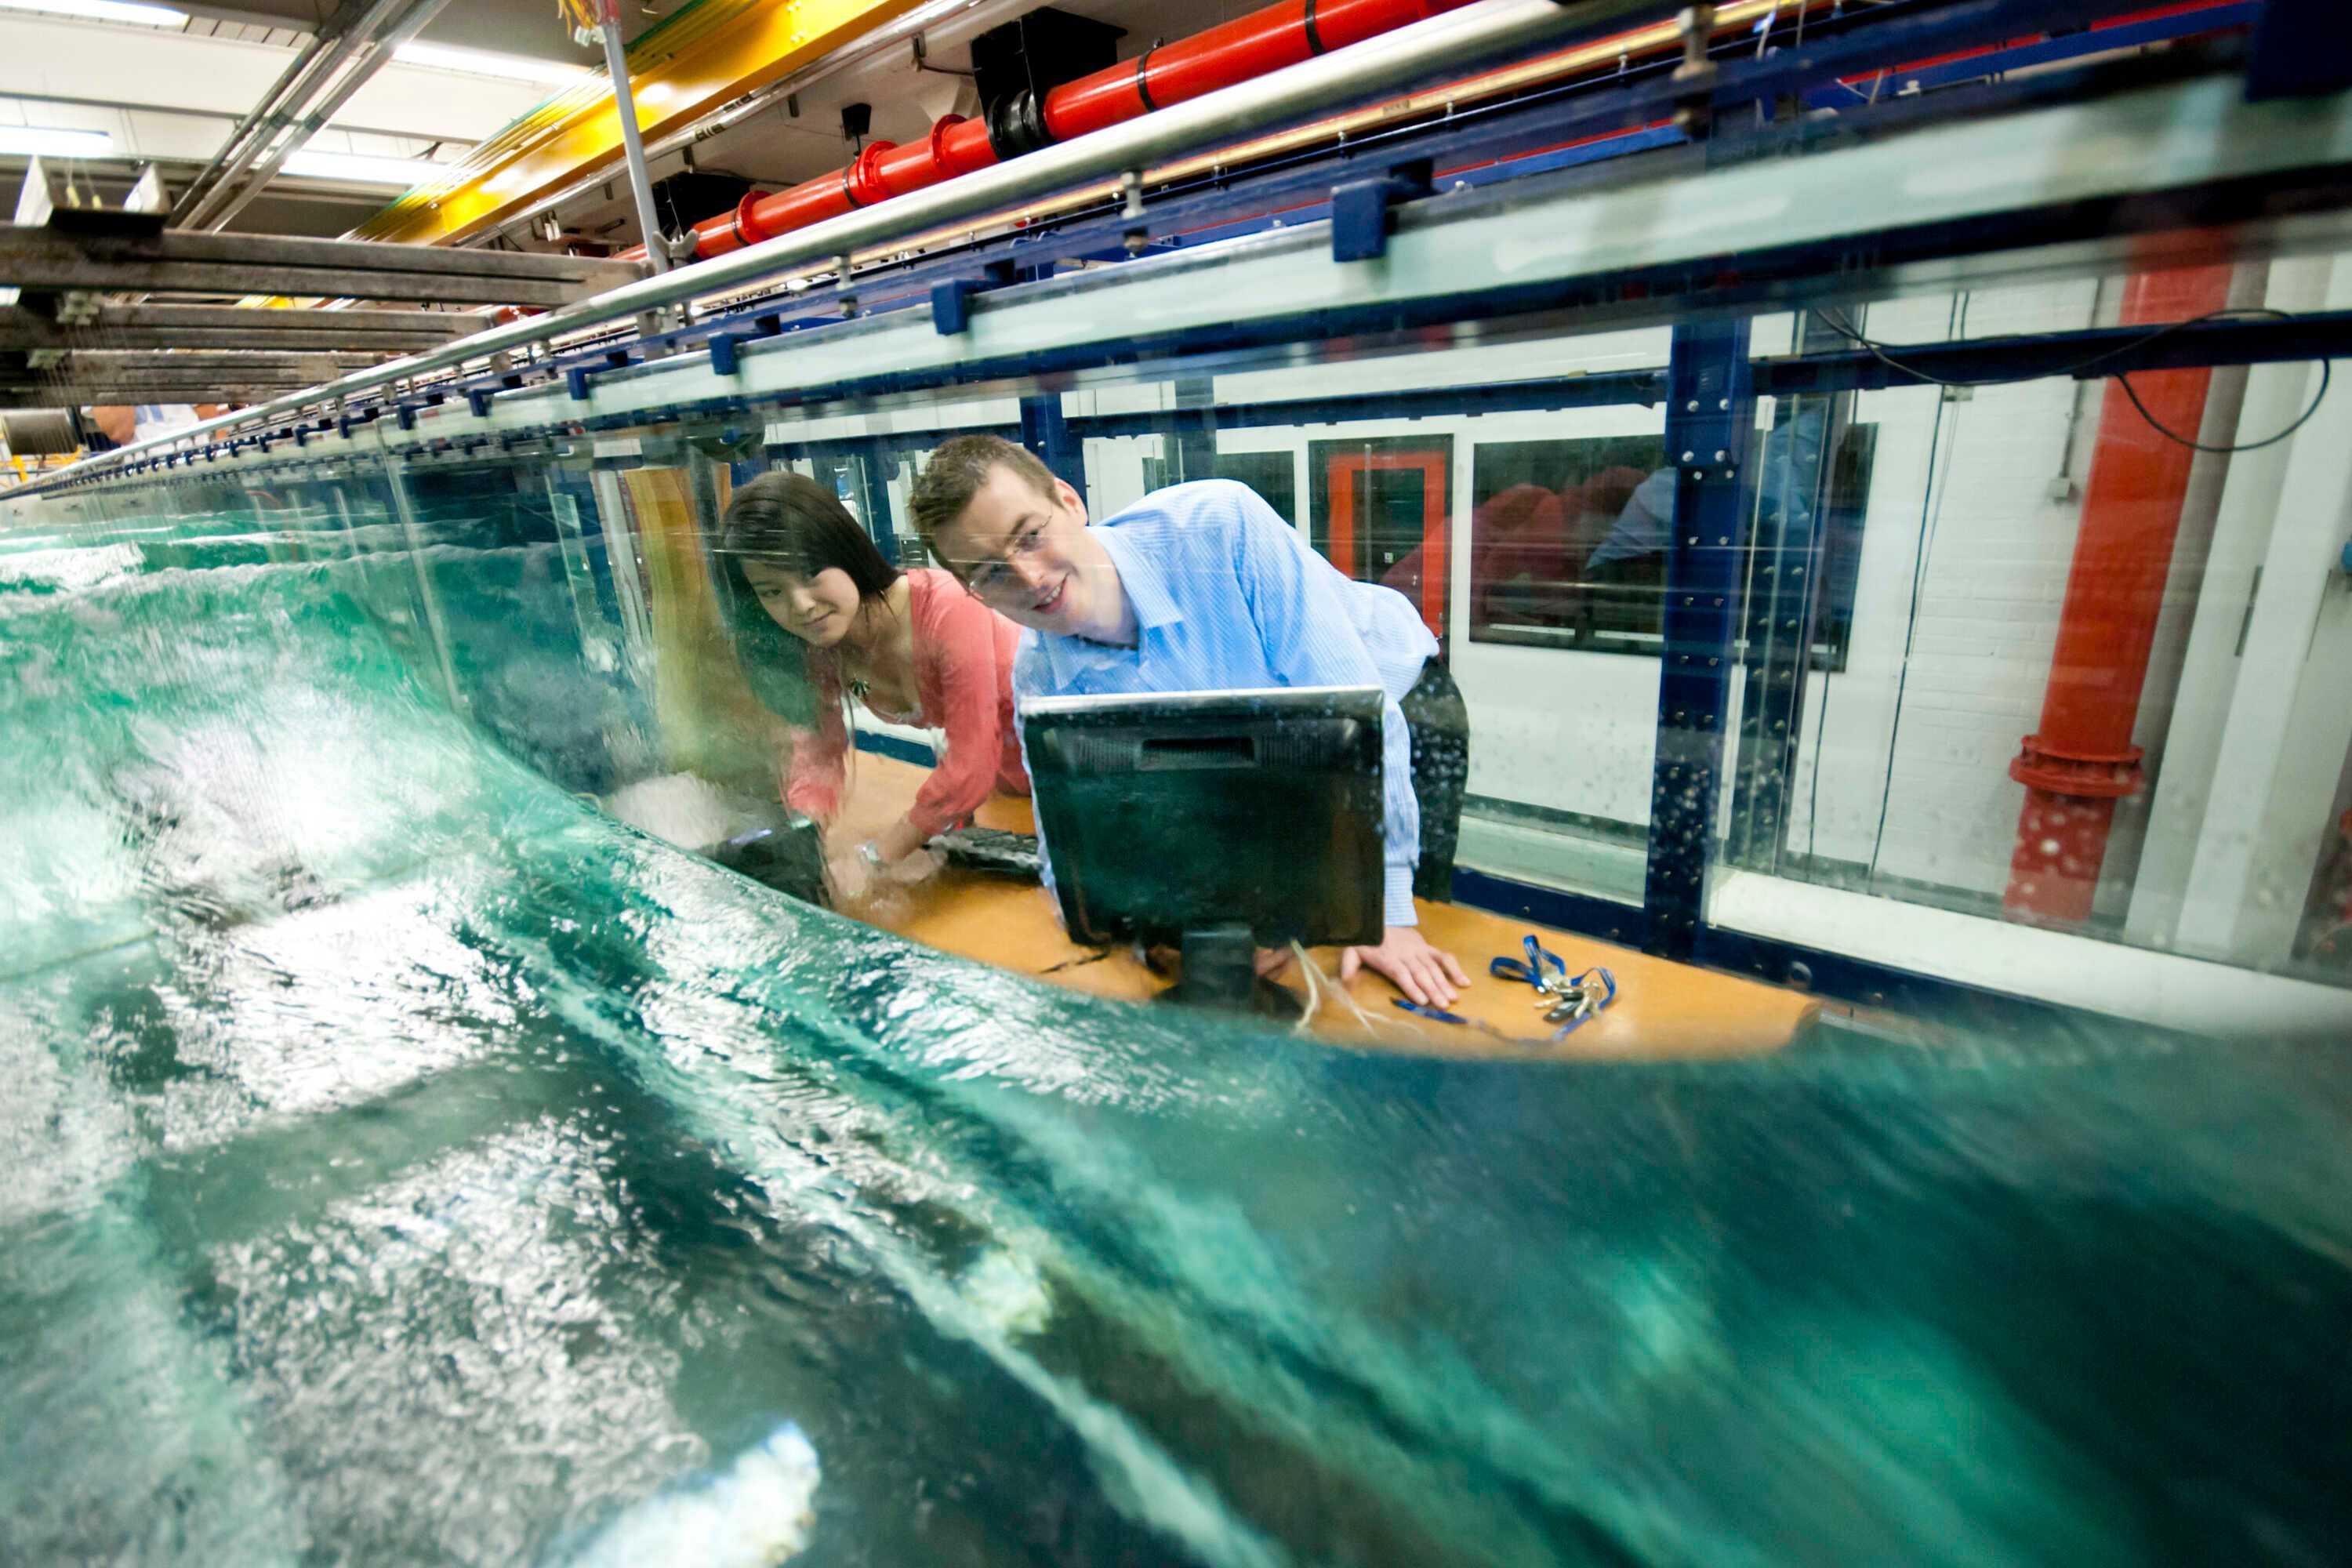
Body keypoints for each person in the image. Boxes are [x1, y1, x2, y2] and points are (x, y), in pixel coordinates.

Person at [908, 434, 1471, 1008]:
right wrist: (1139, 926)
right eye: (991, 572)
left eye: (1030, 535)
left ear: (1069, 501)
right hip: (1266, 745)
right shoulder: (1041, 676)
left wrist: (1389, 912)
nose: (1029, 578)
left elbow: (1356, 718)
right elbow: (1071, 839)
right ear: (971, 592)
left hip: (1393, 706)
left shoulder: (1220, 527)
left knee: (1377, 946)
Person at [715, 470, 1029, 900]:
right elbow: (817, 752)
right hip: (1007, 791)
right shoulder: (824, 648)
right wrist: (804, 836)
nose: (800, 605)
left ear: (843, 551)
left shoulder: (948, 610)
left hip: (1072, 768)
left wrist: (879, 856)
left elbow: (971, 762)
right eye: (771, 591)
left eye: (809, 573)